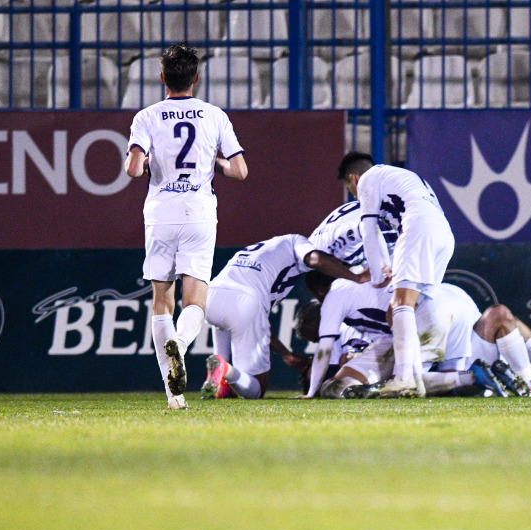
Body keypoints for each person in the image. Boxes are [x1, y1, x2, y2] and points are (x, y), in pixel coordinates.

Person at [124, 42, 247, 410]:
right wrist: (219, 164)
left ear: (163, 78)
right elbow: (240, 170)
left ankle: (173, 395)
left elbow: (132, 169)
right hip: (199, 211)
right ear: (196, 78)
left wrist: (145, 161)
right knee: (196, 298)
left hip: (161, 213)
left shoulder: (146, 117)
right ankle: (180, 343)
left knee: (162, 299)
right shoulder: (214, 115)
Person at [298, 274, 531, 398]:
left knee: (396, 381)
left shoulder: (337, 312)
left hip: (419, 320)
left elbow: (334, 356)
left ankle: (483, 380)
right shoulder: (370, 278)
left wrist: (313, 387)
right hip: (445, 299)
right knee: (500, 315)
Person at [338, 152, 456, 398]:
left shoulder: (368, 179)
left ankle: (403, 379)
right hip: (444, 234)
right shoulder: (401, 177)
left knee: (400, 303)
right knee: (401, 310)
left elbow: (368, 230)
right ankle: (415, 379)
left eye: (350, 189)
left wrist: (377, 280)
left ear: (354, 178)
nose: (354, 195)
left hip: (418, 227)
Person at [199, 234, 369, 400]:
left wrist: (285, 354)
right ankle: (226, 370)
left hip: (211, 295)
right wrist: (356, 277)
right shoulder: (296, 241)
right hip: (245, 301)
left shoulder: (261, 250)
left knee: (224, 326)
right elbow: (316, 259)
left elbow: (259, 325)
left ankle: (219, 379)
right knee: (256, 389)